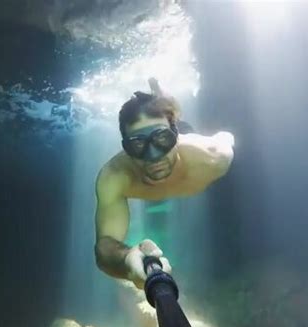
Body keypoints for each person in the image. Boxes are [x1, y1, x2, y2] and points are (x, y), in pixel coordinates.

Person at [94, 78, 235, 289]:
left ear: (174, 137)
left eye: (162, 139)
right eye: (138, 144)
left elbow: (225, 141)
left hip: (190, 140)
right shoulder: (114, 177)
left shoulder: (213, 157)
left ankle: (161, 95)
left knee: (186, 125)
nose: (153, 155)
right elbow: (104, 244)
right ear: (126, 148)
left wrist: (225, 138)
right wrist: (126, 260)